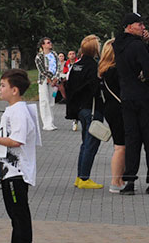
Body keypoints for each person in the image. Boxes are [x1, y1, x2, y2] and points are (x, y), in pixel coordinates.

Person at [112, 12, 149, 195]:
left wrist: (145, 42)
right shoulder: (137, 46)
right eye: (139, 25)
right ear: (129, 26)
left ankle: (130, 181)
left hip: (127, 97)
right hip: (145, 99)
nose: (143, 27)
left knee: (132, 140)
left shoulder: (117, 45)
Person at [0, 69, 39, 243]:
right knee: (16, 217)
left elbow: (17, 141)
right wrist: (0, 166)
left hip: (17, 175)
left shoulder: (19, 111)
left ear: (15, 90)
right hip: (9, 171)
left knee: (19, 217)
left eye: (3, 86)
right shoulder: (11, 110)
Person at [65, 35, 104, 189]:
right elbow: (94, 88)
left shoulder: (76, 65)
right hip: (92, 108)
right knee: (91, 143)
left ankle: (79, 176)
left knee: (85, 143)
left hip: (80, 109)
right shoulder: (93, 66)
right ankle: (84, 177)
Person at [98, 39, 126, 193]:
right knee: (120, 146)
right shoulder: (114, 70)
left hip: (110, 107)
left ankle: (119, 178)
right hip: (118, 108)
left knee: (121, 145)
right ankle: (116, 180)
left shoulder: (103, 69)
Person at [34, 37, 59, 131]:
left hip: (53, 80)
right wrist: (50, 78)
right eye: (48, 43)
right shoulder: (39, 56)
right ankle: (46, 123)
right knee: (44, 101)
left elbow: (58, 66)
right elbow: (41, 69)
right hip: (44, 80)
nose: (50, 44)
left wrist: (55, 77)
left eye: (50, 42)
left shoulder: (54, 54)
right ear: (43, 45)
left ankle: (51, 122)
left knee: (51, 100)